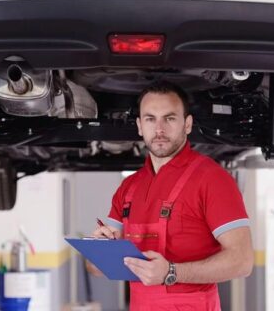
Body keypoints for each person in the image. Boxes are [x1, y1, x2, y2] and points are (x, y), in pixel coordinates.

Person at [92, 81, 254, 310]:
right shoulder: (128, 187)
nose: (159, 129)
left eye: (169, 118)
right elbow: (96, 269)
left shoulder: (212, 179)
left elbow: (243, 261)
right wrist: (99, 248)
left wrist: (171, 272)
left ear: (187, 124)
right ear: (139, 126)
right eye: (150, 119)